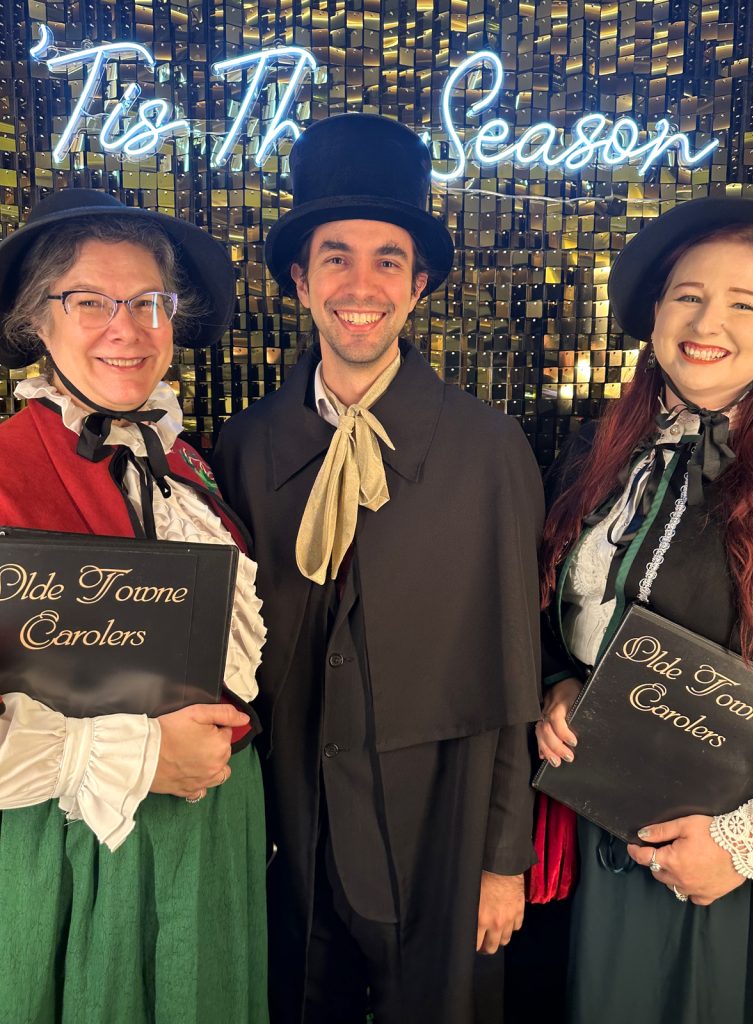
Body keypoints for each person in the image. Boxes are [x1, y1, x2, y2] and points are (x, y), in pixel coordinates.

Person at [212, 113, 544, 1024]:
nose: (361, 285)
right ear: (298, 278)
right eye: (335, 256)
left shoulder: (486, 449)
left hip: (442, 832)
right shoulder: (245, 447)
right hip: (290, 837)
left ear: (419, 282)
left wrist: (502, 860)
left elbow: (516, 671)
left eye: (387, 259)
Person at [0, 189, 268, 1023]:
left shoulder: (186, 462)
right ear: (36, 322)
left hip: (214, 829)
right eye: (89, 301)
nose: (128, 327)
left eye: (150, 303)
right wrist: (135, 758)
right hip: (73, 844)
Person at [536, 196, 753, 1024]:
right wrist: (560, 687)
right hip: (580, 835)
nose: (710, 322)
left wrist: (744, 849)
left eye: (746, 303)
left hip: (720, 879)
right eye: (689, 294)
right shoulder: (595, 448)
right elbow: (556, 619)